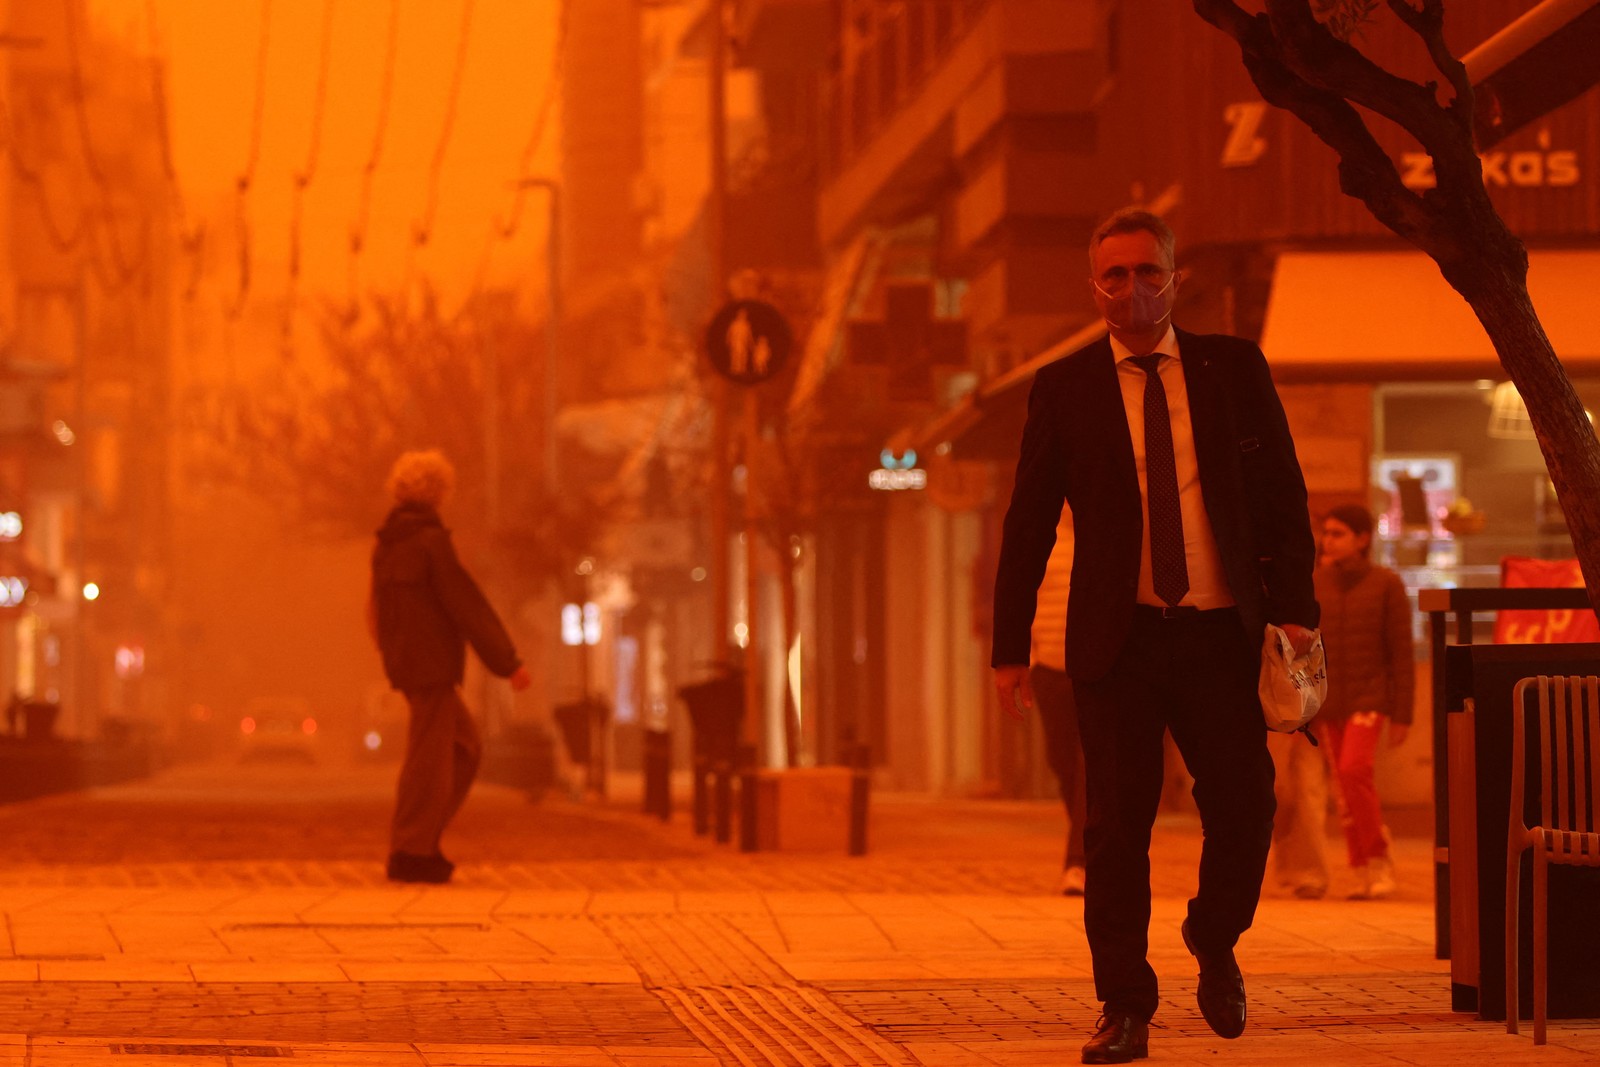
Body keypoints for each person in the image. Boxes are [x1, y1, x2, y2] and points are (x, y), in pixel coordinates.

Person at [991, 208, 1319, 1064]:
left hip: (1219, 636)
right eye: (1115, 274)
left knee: (1247, 806)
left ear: (1175, 277)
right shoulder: (1064, 386)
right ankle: (1125, 1004)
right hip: (1119, 642)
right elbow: (1028, 521)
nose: (1132, 287)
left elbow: (1282, 493)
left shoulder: (1232, 369)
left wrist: (1297, 608)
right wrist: (1009, 645)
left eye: (1147, 271)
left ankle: (1214, 933)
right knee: (1116, 829)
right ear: (1093, 286)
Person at [369, 449, 531, 884]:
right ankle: (411, 850)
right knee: (429, 759)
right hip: (433, 668)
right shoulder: (430, 542)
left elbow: (377, 608)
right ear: (439, 492)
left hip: (409, 663)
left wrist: (391, 654)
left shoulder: (387, 545)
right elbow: (465, 603)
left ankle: (420, 839)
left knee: (464, 747)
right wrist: (507, 663)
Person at [1313, 503, 1414, 900]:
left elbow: (1401, 653)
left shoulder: (1386, 584)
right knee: (1343, 789)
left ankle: (1378, 856)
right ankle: (1360, 867)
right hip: (1329, 701)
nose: (1328, 540)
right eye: (1326, 533)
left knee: (1354, 770)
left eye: (1338, 533)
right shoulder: (1317, 582)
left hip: (1370, 697)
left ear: (1362, 539)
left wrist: (1402, 714)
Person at [1030, 507, 1088, 896]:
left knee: (1089, 764)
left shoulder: (1105, 537)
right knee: (1062, 761)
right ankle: (1087, 833)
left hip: (1094, 669)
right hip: (1049, 668)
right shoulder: (1044, 542)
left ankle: (1078, 860)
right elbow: (1024, 598)